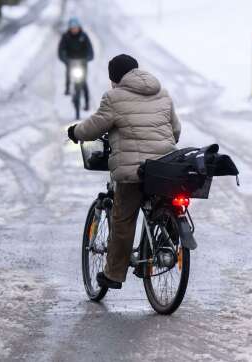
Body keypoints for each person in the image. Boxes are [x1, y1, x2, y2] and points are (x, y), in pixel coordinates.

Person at [67, 54, 181, 289]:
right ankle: (160, 250)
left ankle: (114, 275)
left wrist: (75, 132)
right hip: (165, 168)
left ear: (114, 79)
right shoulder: (162, 92)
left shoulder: (113, 97)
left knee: (123, 219)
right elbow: (176, 130)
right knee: (164, 203)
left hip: (134, 172)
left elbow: (93, 127)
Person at [58, 17, 94, 110]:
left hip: (82, 62)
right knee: (68, 74)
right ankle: (67, 89)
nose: (74, 30)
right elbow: (61, 50)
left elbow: (90, 50)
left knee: (83, 82)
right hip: (71, 61)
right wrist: (65, 59)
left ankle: (87, 103)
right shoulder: (65, 37)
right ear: (69, 28)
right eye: (72, 28)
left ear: (79, 27)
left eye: (76, 27)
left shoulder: (84, 36)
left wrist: (88, 58)